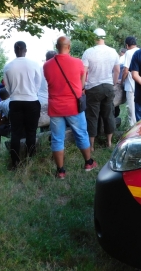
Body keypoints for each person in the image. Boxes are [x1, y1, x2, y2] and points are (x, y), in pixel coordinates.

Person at [43, 36, 97, 179]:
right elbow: (81, 81)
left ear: (56, 46)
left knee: (57, 139)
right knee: (81, 134)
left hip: (55, 108)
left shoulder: (46, 65)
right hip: (74, 106)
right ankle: (88, 163)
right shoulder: (77, 62)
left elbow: (50, 81)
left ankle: (60, 171)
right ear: (69, 47)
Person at [3, 41, 43, 169]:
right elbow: (38, 83)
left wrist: (15, 94)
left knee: (15, 133)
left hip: (15, 101)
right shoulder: (34, 64)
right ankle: (31, 158)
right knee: (31, 132)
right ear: (26, 50)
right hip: (32, 100)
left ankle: (15, 163)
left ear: (15, 50)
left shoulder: (8, 66)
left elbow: (7, 87)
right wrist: (31, 92)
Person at [82, 28, 120, 151]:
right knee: (108, 114)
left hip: (93, 87)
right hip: (108, 86)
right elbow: (117, 70)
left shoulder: (88, 52)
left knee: (92, 116)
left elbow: (84, 72)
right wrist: (113, 83)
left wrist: (82, 87)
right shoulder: (113, 51)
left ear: (94, 37)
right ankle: (109, 142)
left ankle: (91, 146)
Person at [121, 36, 139, 127]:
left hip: (131, 84)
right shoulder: (140, 51)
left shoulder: (128, 53)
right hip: (140, 84)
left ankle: (132, 128)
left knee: (131, 110)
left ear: (127, 45)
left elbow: (125, 70)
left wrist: (122, 81)